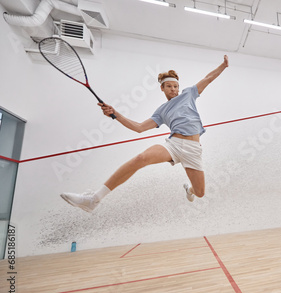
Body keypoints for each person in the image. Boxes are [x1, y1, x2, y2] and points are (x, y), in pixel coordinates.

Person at [60, 55, 229, 212]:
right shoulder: (161, 111)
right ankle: (94, 199)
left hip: (194, 149)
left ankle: (188, 189)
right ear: (162, 88)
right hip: (174, 145)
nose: (173, 89)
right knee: (141, 158)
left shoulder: (188, 94)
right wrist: (115, 113)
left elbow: (208, 78)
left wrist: (223, 66)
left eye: (176, 86)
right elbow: (139, 127)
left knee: (199, 193)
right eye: (169, 86)